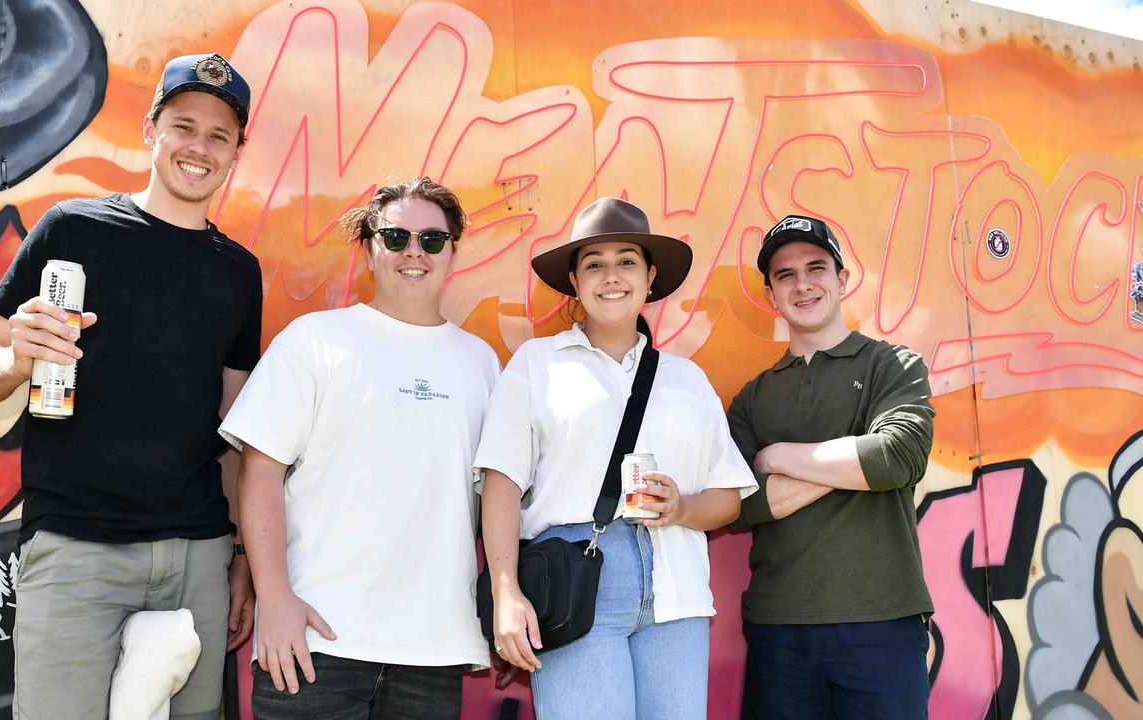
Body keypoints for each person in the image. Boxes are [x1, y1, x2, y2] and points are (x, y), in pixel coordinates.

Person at [0, 52, 261, 720]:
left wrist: (241, 556)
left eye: (219, 135)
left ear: (238, 151)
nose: (199, 147)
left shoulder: (240, 271)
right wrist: (16, 362)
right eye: (184, 125)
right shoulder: (73, 228)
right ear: (151, 128)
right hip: (75, 548)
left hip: (197, 554)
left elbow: (236, 429)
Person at [218, 178, 499, 719]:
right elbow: (259, 472)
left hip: (433, 653)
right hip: (313, 647)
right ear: (369, 247)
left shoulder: (482, 363)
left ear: (453, 252)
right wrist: (274, 599)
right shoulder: (313, 340)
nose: (413, 251)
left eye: (431, 240)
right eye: (395, 237)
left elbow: (499, 502)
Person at [477, 197, 758, 720]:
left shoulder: (686, 379)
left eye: (627, 261)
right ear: (575, 281)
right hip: (575, 583)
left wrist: (682, 509)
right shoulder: (537, 364)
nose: (612, 276)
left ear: (650, 277)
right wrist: (506, 590)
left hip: (677, 594)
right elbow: (501, 484)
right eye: (595, 264)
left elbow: (727, 498)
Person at [727, 214, 936, 719]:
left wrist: (778, 458)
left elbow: (897, 457)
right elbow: (736, 502)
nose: (803, 284)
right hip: (780, 631)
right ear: (771, 294)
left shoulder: (892, 365)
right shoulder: (753, 399)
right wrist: (854, 454)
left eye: (816, 267)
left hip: (883, 622)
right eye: (785, 274)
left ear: (842, 279)